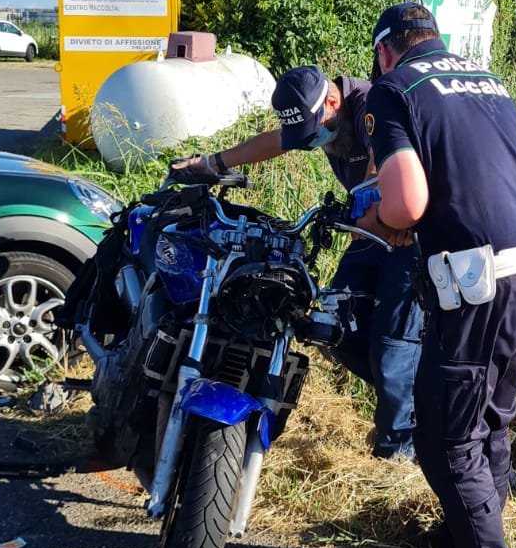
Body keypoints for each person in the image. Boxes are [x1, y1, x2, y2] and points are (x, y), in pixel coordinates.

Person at [359, 2, 516, 548]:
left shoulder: (395, 89)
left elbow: (405, 203)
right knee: (491, 420)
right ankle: (470, 542)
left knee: (445, 435)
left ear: (386, 51)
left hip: (482, 279)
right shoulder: (487, 79)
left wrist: (369, 226)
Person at [171, 64, 423, 460]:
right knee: (334, 327)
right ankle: (413, 401)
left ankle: (399, 453)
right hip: (368, 232)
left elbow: (381, 163)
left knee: (393, 346)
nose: (312, 142)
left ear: (334, 102)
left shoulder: (371, 104)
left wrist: (369, 210)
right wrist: (215, 163)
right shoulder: (321, 115)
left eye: (314, 131)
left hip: (404, 233)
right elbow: (275, 141)